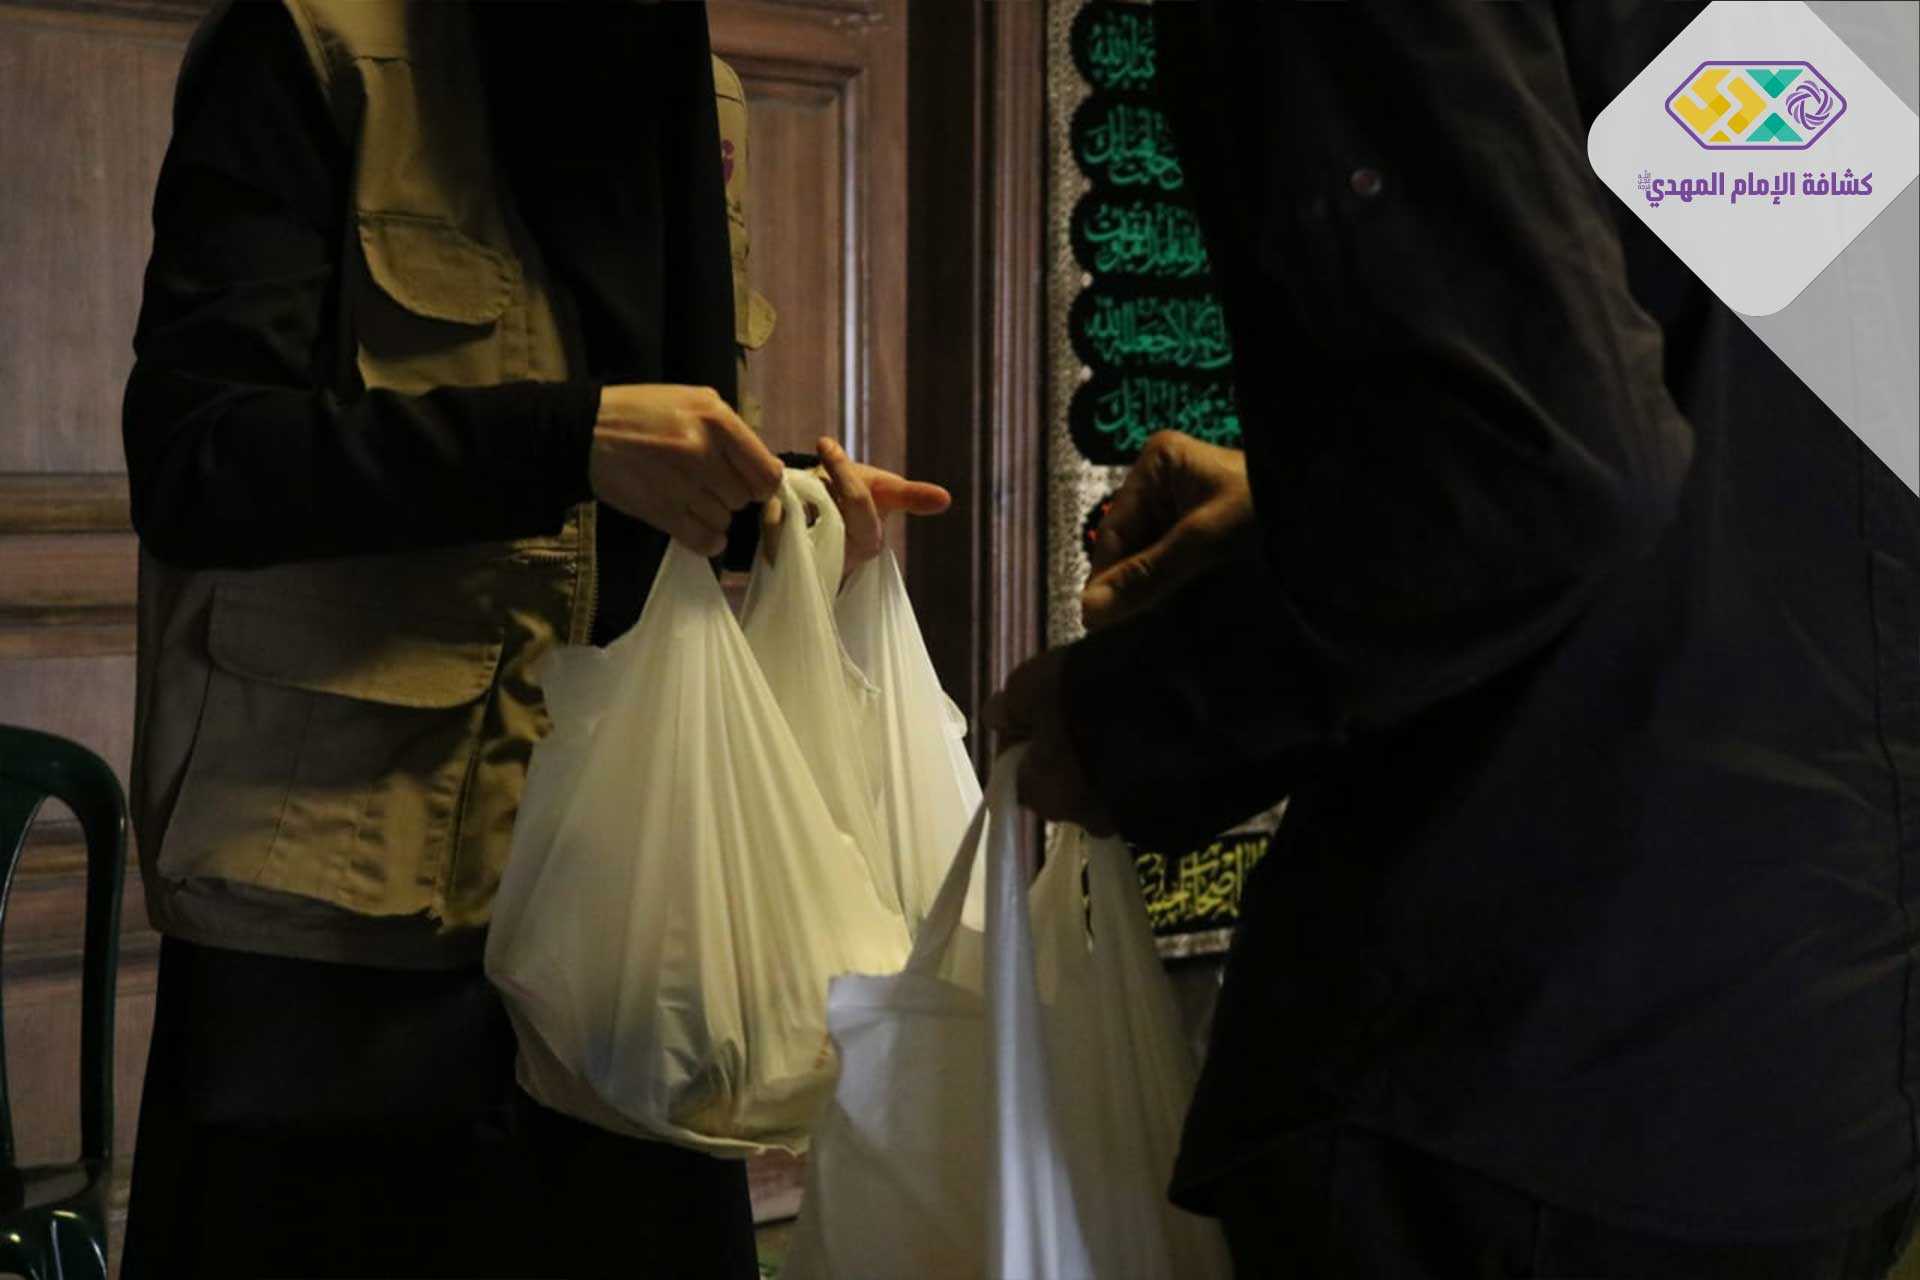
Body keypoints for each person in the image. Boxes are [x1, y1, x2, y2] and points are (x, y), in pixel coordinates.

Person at [990, 2, 1920, 1276]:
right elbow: (1789, 412)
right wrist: (1326, 507)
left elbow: (1553, 467)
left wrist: (1138, 717)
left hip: (1525, 1075)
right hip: (1814, 1060)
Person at [118, 3, 945, 1276]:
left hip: (629, 907)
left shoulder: (689, 83)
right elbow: (199, 460)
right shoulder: (311, 46)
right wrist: (567, 438)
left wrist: (777, 504)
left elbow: (616, 470)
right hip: (351, 914)